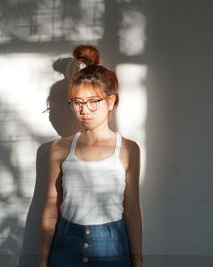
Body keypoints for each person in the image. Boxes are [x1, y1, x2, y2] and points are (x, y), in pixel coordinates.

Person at [37, 45, 143, 267]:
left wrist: (138, 260)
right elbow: (50, 206)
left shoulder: (128, 149)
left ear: (110, 101)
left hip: (113, 246)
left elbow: (132, 208)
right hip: (66, 243)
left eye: (93, 101)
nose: (84, 110)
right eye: (77, 102)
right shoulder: (59, 149)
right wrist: (42, 260)